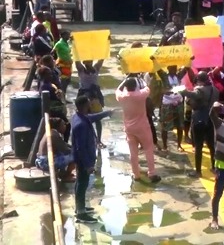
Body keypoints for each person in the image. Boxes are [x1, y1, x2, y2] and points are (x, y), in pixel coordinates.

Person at [71, 95, 113, 224]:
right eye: (89, 104)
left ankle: (80, 207)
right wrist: (88, 165)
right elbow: (80, 148)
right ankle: (81, 213)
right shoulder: (81, 124)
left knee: (80, 182)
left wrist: (106, 113)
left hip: (83, 158)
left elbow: (92, 118)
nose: (91, 106)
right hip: (83, 159)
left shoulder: (78, 117)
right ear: (84, 106)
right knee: (82, 183)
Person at [115, 77, 162, 183]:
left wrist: (124, 81)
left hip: (129, 128)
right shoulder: (140, 95)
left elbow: (118, 89)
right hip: (143, 127)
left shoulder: (122, 96)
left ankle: (136, 174)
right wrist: (141, 80)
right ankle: (152, 173)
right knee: (149, 150)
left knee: (133, 153)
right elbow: (147, 88)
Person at [180, 71, 219, 178]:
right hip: (210, 119)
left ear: (199, 80)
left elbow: (194, 96)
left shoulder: (199, 89)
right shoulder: (215, 90)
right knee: (211, 145)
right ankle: (215, 167)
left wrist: (184, 92)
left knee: (198, 146)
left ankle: (198, 171)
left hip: (199, 119)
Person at [35, 117, 75, 182]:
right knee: (75, 156)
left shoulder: (51, 132)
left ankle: (62, 173)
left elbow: (64, 144)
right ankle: (66, 176)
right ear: (58, 126)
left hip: (41, 160)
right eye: (63, 125)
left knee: (62, 154)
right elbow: (65, 150)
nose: (65, 126)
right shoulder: (54, 135)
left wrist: (73, 147)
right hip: (46, 162)